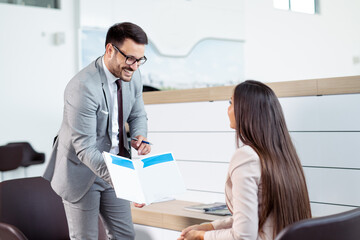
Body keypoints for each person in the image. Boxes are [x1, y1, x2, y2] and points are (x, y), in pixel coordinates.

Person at [43, 22, 151, 240]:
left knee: (125, 236)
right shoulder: (83, 87)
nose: (135, 66)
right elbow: (84, 149)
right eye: (130, 58)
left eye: (140, 60)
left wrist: (141, 136)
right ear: (110, 50)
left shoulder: (133, 75)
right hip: (80, 171)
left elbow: (138, 114)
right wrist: (127, 182)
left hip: (114, 165)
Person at [178, 80, 312, 240]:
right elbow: (256, 217)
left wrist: (202, 236)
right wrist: (210, 226)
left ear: (246, 110)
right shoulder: (284, 155)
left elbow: (243, 236)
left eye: (230, 102)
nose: (227, 109)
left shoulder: (246, 157)